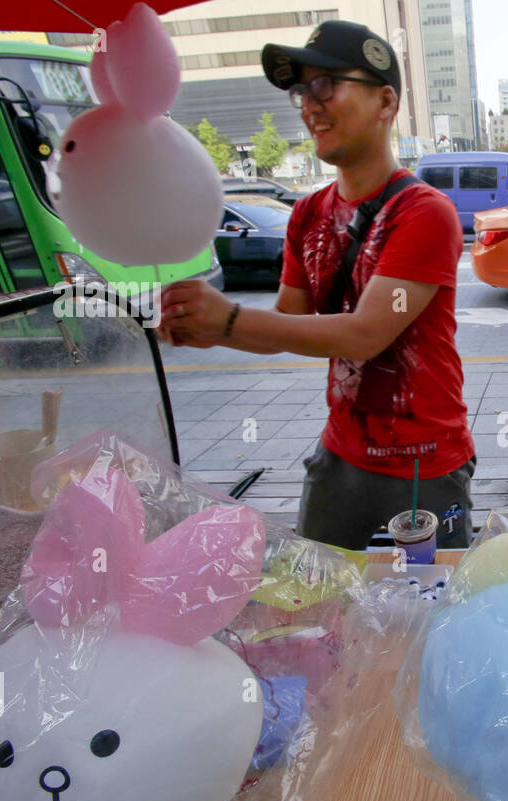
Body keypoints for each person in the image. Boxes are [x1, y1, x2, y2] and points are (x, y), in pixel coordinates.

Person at [156, 20, 475, 551]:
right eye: (301, 90)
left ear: (386, 102)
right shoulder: (307, 213)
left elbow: (365, 334)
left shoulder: (424, 214)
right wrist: (207, 327)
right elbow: (288, 323)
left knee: (427, 613)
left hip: (426, 465)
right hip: (340, 454)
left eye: (326, 84)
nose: (309, 105)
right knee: (318, 604)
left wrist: (229, 319)